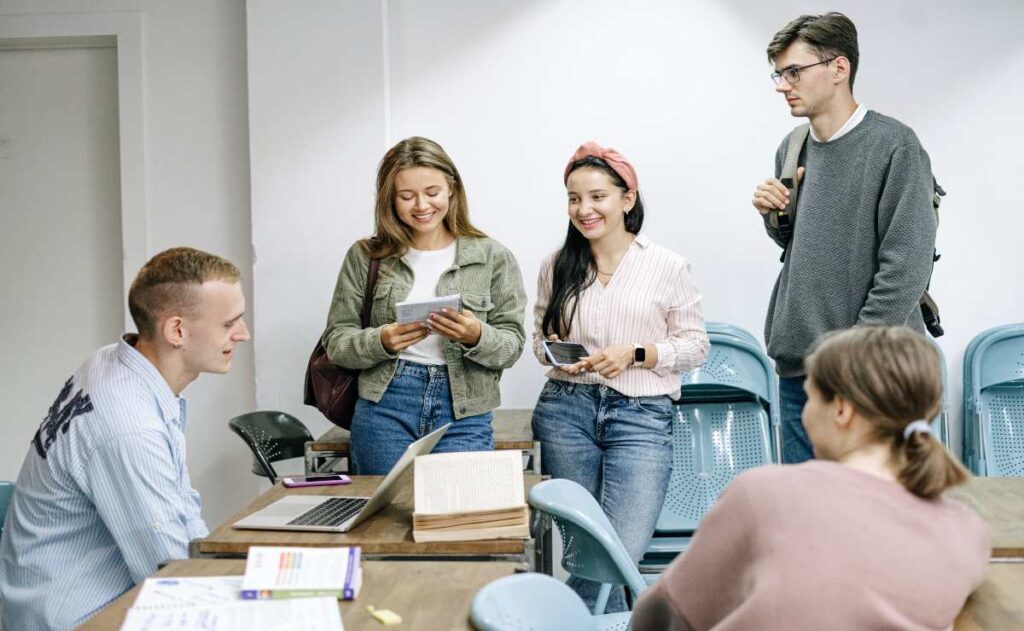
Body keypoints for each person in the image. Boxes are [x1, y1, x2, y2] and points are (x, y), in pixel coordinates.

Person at [632, 326, 989, 631]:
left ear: (841, 409)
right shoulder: (967, 532)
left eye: (809, 398)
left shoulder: (764, 493)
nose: (804, 413)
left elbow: (662, 617)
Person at [0, 247, 251, 630]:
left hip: (72, 598)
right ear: (177, 330)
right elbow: (170, 575)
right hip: (76, 617)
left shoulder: (114, 361)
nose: (243, 334)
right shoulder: (128, 426)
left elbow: (180, 513)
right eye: (229, 323)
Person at [751, 12, 938, 464]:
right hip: (801, 372)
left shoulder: (895, 146)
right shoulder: (791, 146)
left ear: (839, 68)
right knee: (808, 519)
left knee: (881, 521)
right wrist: (773, 216)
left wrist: (851, 358)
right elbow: (805, 246)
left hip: (872, 374)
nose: (782, 84)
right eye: (779, 73)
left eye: (794, 71)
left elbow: (907, 266)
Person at [531, 141, 708, 613]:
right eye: (573, 198)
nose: (584, 209)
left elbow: (695, 347)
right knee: (584, 551)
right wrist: (558, 356)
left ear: (627, 199)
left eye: (597, 196)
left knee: (617, 552)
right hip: (566, 412)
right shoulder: (557, 265)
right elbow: (538, 341)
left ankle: (555, 619)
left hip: (642, 417)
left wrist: (636, 353)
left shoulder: (667, 265)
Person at [322, 136, 526, 474]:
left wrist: (476, 335)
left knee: (456, 520)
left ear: (452, 190)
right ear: (390, 199)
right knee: (383, 521)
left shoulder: (492, 257)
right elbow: (337, 343)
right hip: (385, 404)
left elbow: (513, 346)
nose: (421, 205)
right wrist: (381, 340)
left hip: (465, 410)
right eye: (406, 196)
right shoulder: (365, 256)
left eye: (432, 192)